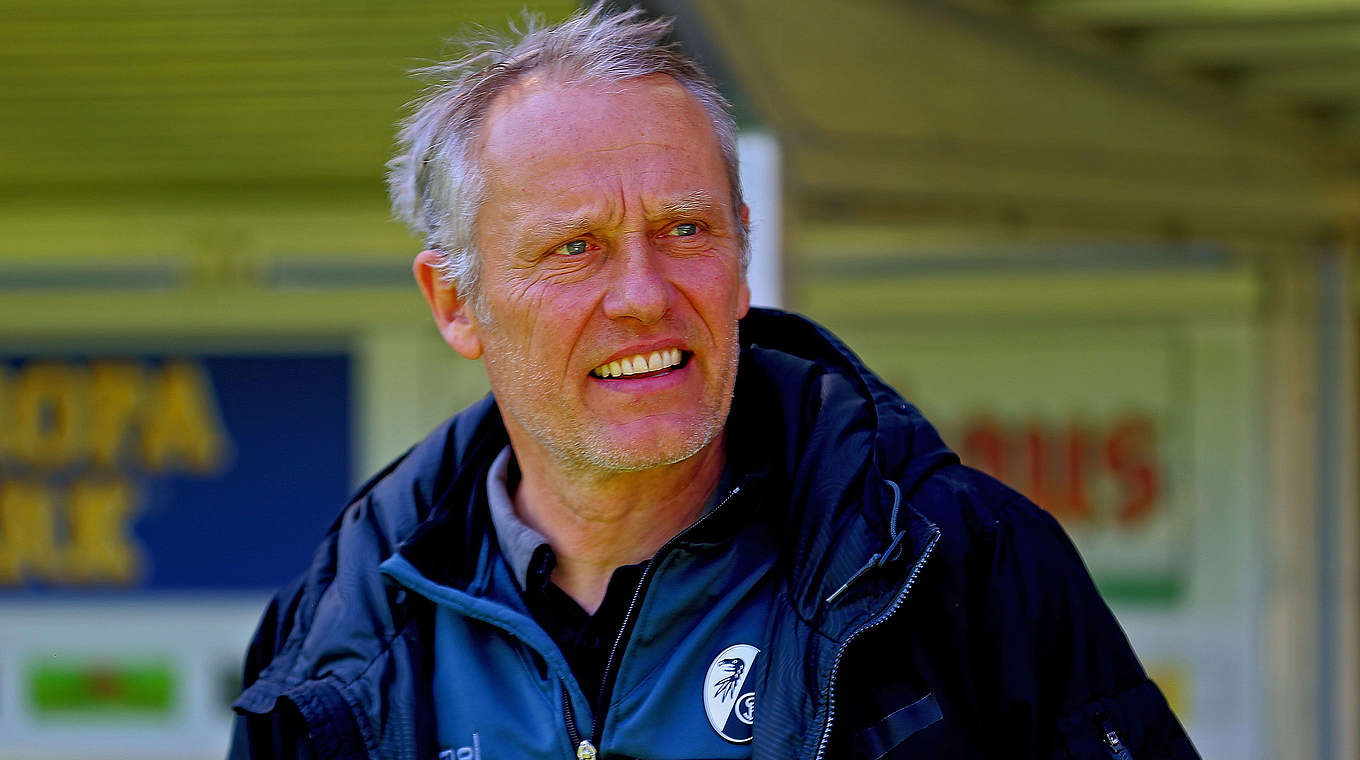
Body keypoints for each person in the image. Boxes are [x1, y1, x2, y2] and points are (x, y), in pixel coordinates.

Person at [229, 5, 1198, 759]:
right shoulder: (331, 643)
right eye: (576, 248)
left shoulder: (964, 570)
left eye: (686, 230)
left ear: (742, 258)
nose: (645, 295)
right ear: (454, 302)